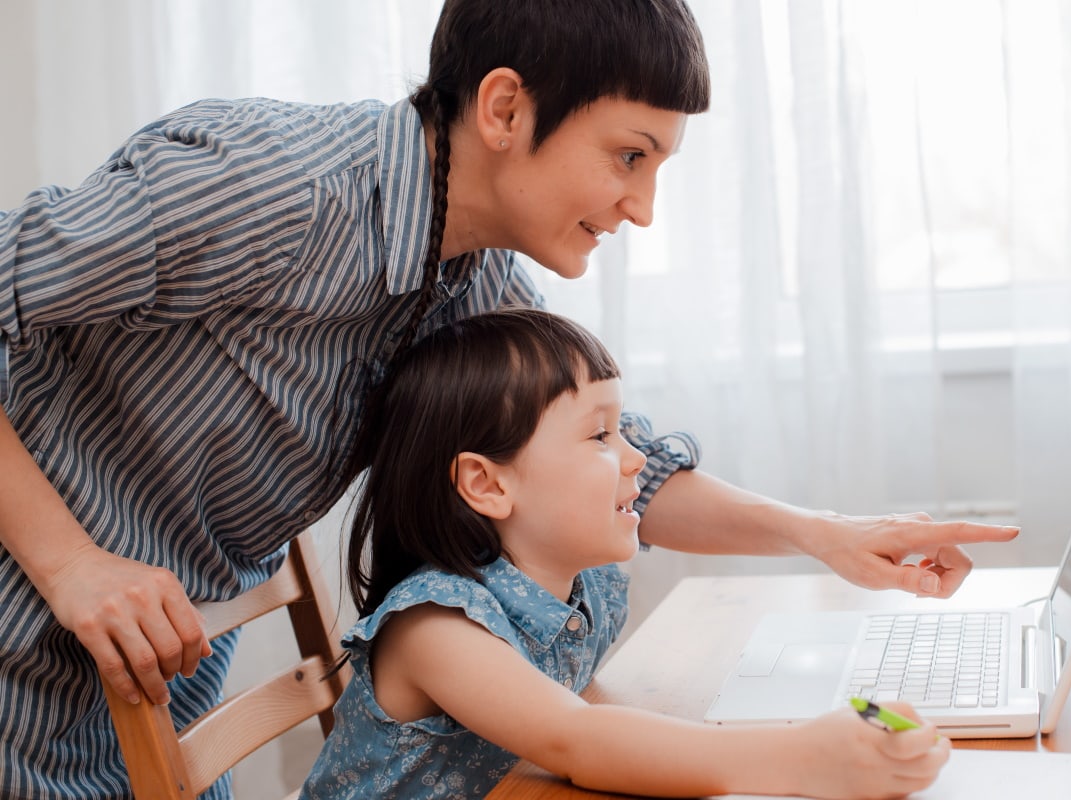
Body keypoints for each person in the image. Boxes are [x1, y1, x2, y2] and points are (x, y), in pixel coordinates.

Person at [0, 1, 1015, 798]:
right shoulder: (274, 185)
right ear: (503, 109)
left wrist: (826, 533)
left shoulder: (468, 276)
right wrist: (70, 560)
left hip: (152, 689)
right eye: (629, 156)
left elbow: (625, 466)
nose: (643, 208)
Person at [301, 307, 951, 800]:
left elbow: (576, 721)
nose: (637, 458)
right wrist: (803, 758)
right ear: (487, 484)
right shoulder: (434, 627)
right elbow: (573, 739)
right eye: (600, 434)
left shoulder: (589, 584)